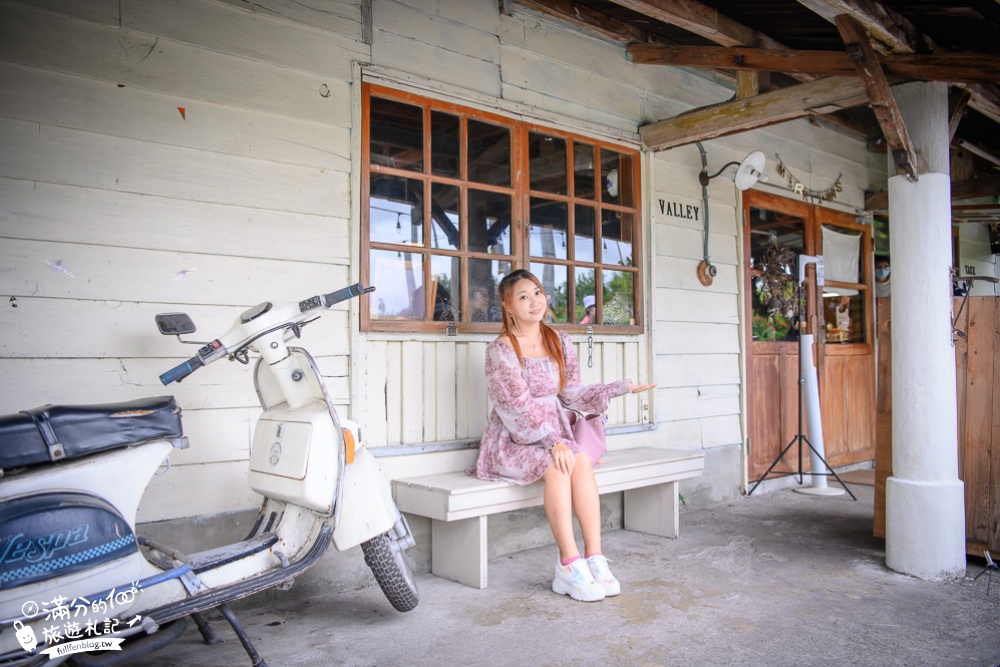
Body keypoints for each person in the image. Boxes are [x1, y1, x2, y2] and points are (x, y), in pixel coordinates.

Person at [472, 269, 655, 602]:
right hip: (513, 440)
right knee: (560, 465)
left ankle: (595, 557)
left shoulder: (560, 340)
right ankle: (568, 564)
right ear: (508, 305)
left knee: (580, 459)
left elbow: (571, 394)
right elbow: (515, 405)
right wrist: (552, 441)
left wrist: (619, 388)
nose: (534, 302)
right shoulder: (501, 349)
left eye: (537, 293)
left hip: (554, 436)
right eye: (523, 297)